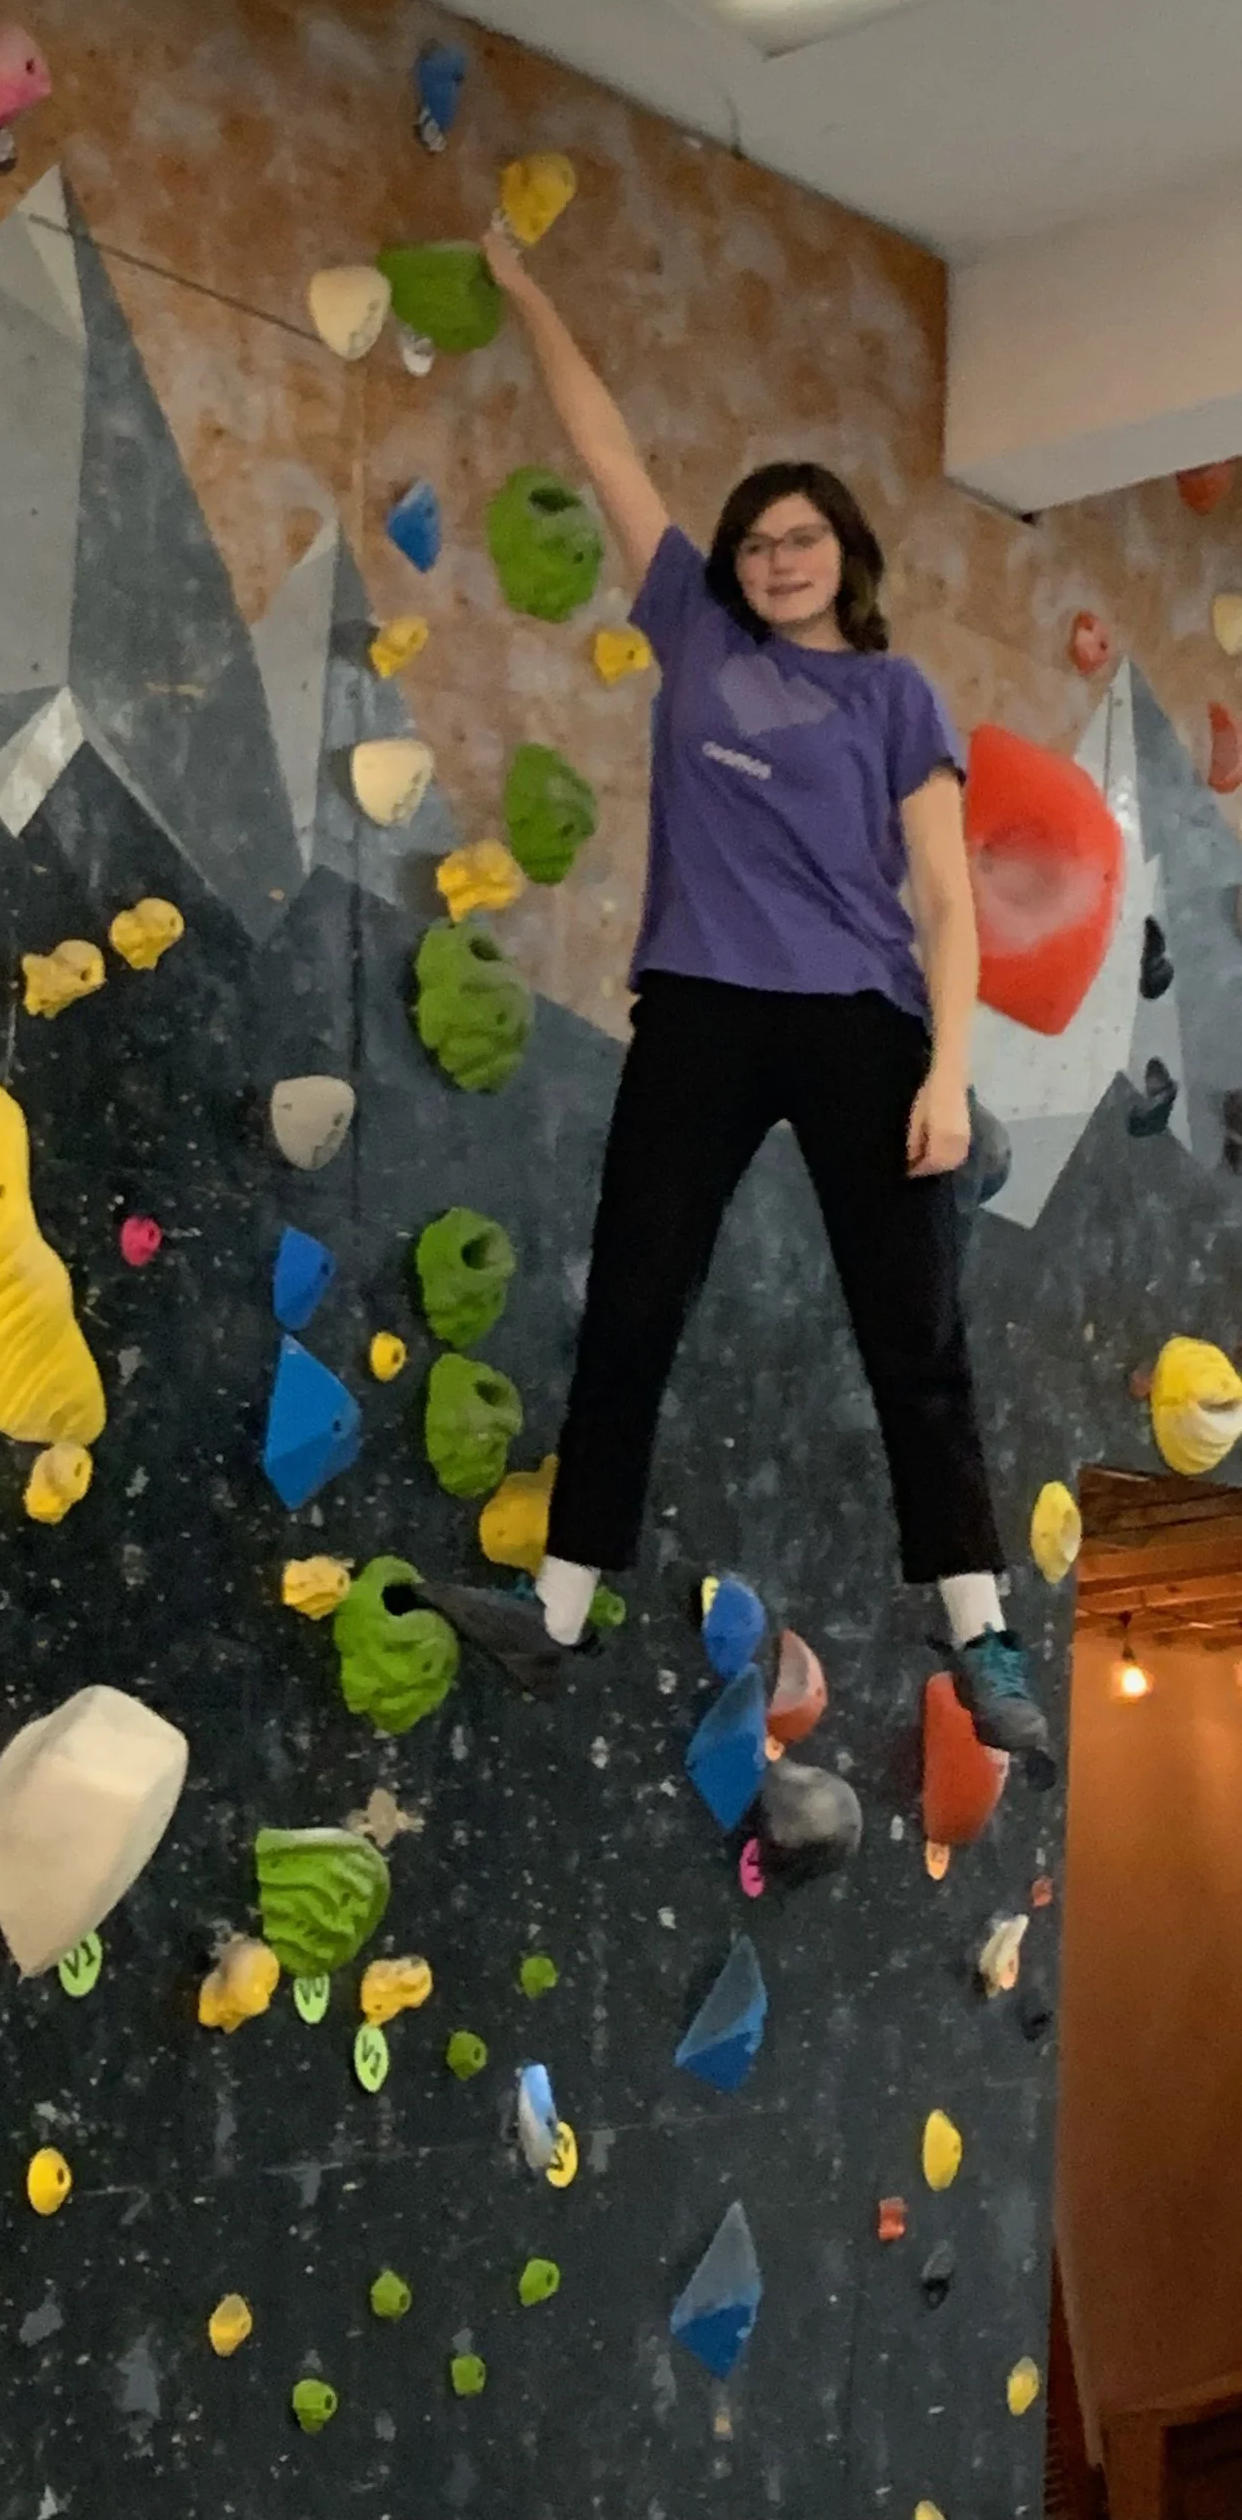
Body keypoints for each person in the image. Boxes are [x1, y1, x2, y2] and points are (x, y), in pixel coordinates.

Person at [479, 219, 1050, 1769]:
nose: (775, 560)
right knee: (634, 1296)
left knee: (910, 1334)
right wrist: (531, 292)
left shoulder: (893, 693)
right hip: (701, 1012)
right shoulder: (693, 630)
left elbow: (944, 898)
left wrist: (944, 1073)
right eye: (756, 543)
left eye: (801, 540)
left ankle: (982, 1636)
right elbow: (603, 445)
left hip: (858, 1023)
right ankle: (559, 1604)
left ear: (845, 555)